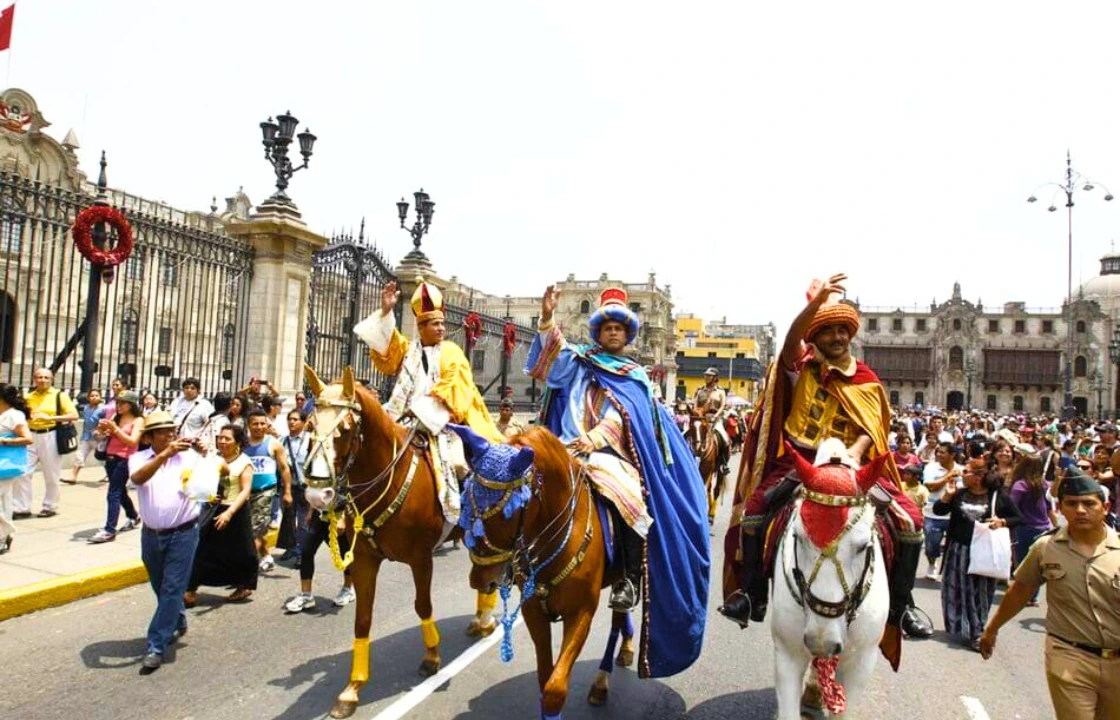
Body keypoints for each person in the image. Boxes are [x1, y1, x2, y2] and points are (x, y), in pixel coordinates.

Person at [721, 274, 931, 668]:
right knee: (754, 513)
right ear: (814, 337)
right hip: (800, 464)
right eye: (826, 330)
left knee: (910, 521)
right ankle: (751, 594)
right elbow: (789, 342)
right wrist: (815, 305)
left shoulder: (867, 380)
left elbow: (873, 431)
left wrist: (852, 454)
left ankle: (901, 608)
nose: (836, 337)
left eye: (842, 330)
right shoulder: (800, 368)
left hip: (855, 468)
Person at [527, 284, 709, 677]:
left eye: (619, 328)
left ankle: (626, 577)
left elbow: (620, 417)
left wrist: (593, 440)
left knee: (627, 497)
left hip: (608, 453)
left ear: (628, 335)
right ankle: (516, 562)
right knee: (525, 484)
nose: (613, 333)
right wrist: (546, 319)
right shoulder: (579, 361)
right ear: (598, 332)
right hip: (565, 444)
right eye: (607, 327)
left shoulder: (636, 376)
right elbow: (550, 363)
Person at [352, 278, 505, 529]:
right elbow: (385, 350)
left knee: (458, 463)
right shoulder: (408, 349)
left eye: (443, 323)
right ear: (421, 327)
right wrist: (387, 310)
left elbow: (453, 385)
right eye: (436, 324)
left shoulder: (452, 350)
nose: (442, 329)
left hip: (442, 425)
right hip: (402, 420)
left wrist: (421, 412)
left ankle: (471, 517)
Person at [980, 470, 1120, 719]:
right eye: (1072, 504)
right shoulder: (1046, 548)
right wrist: (992, 629)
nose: (1080, 510)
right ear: (1061, 508)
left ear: (1105, 507)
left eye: (1088, 504)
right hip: (1069, 656)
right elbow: (1020, 590)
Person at [128, 411, 202, 673]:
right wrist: (164, 455)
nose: (170, 434)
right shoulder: (138, 458)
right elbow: (137, 479)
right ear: (149, 437)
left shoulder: (190, 457)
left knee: (172, 588)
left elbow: (220, 470)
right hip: (151, 535)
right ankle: (177, 617)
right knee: (160, 585)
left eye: (172, 429)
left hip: (183, 533)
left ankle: (156, 645)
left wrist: (207, 453)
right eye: (162, 431)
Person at [933, 458, 1021, 651]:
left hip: (984, 552)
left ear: (979, 476)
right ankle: (960, 627)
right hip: (958, 550)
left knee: (979, 593)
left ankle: (978, 632)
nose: (961, 475)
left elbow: (1018, 518)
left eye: (966, 472)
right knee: (955, 589)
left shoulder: (998, 496)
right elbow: (938, 510)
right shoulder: (959, 493)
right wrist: (947, 496)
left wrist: (1002, 521)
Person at [185, 424, 257, 606]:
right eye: (220, 438)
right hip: (214, 509)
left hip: (236, 511)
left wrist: (229, 513)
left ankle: (243, 586)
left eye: (228, 439)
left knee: (242, 552)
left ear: (238, 442)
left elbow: (245, 491)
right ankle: (190, 589)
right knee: (201, 548)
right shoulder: (214, 459)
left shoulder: (244, 462)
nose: (222, 441)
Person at [14, 368, 78, 519]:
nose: (42, 380)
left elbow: (74, 415)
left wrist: (50, 418)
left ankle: (50, 506)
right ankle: (22, 507)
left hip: (50, 434)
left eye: (46, 377)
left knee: (51, 473)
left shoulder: (59, 396)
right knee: (23, 472)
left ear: (51, 380)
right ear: (34, 379)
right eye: (39, 377)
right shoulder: (28, 397)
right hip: (31, 435)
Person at [88, 391, 143, 543]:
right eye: (117, 403)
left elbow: (133, 441)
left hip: (125, 459)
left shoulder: (138, 420)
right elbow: (102, 436)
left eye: (122, 403)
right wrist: (101, 431)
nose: (119, 406)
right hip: (110, 457)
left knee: (113, 492)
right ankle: (133, 515)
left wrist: (115, 430)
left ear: (131, 404)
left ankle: (109, 529)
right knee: (119, 491)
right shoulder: (115, 417)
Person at [243, 409, 291, 572]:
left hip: (266, 492)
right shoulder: (243, 444)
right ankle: (267, 555)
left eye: (262, 423)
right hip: (245, 492)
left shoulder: (274, 444)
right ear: (248, 425)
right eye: (255, 424)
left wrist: (287, 492)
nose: (259, 427)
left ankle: (244, 566)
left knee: (256, 529)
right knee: (253, 528)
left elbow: (284, 468)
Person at [284, 509, 355, 613]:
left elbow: (350, 494)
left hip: (338, 516)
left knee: (344, 553)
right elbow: (317, 493)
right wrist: (310, 511)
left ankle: (348, 588)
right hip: (320, 515)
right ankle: (306, 595)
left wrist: (344, 517)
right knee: (306, 550)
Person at [922, 442, 962, 580]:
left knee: (955, 547)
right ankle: (932, 564)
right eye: (938, 452)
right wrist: (949, 476)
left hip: (955, 515)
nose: (939, 454)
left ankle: (950, 571)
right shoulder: (931, 467)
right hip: (933, 514)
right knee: (931, 545)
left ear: (952, 455)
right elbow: (931, 487)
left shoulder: (962, 470)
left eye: (943, 452)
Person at [0, 384, 32, 554]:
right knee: (4, 501)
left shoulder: (14, 415)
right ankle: (5, 535)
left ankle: (4, 534)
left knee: (3, 500)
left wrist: (4, 441)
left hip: (5, 464)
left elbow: (28, 438)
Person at [279, 409, 311, 565]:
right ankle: (291, 547)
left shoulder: (310, 440)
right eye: (290, 419)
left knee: (303, 522)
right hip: (288, 487)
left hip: (305, 487)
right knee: (288, 519)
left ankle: (302, 553)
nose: (292, 422)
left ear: (304, 423)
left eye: (296, 419)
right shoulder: (282, 441)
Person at [693, 367, 731, 477]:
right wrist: (697, 415)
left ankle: (724, 463)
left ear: (715, 378)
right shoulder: (700, 391)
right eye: (705, 375)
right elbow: (695, 405)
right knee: (688, 435)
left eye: (709, 376)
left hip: (715, 420)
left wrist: (715, 416)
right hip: (701, 419)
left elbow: (723, 406)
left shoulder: (721, 392)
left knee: (724, 439)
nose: (706, 377)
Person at [71, 389, 106, 484]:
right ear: (88, 398)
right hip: (86, 436)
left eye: (96, 395)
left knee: (101, 458)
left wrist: (101, 431)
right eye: (92, 396)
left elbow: (106, 422)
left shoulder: (103, 409)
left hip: (98, 438)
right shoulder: (86, 408)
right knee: (80, 456)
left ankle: (109, 475)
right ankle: (73, 476)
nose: (94, 397)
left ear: (100, 397)